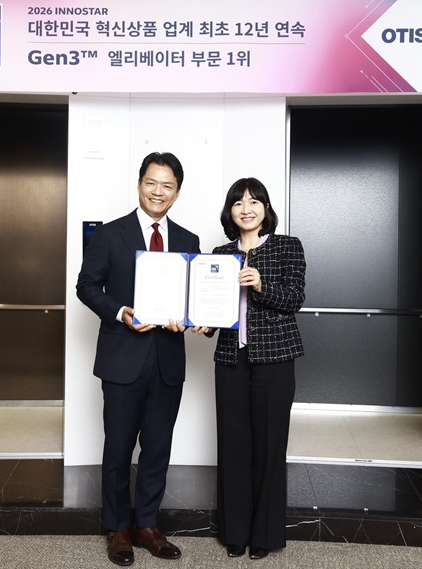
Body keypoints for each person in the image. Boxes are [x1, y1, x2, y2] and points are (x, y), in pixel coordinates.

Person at [76, 152, 201, 567]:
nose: (158, 192)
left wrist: (192, 318)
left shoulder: (188, 241)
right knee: (118, 448)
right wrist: (120, 312)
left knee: (157, 449)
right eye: (152, 182)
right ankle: (117, 528)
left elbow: (196, 298)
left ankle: (147, 525)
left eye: (167, 186)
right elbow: (86, 285)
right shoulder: (110, 234)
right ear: (139, 184)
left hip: (167, 361)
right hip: (122, 358)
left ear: (177, 192)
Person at [194, 177, 306, 560]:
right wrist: (205, 322)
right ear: (230, 211)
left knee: (269, 447)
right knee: (233, 446)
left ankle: (265, 534)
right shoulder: (220, 254)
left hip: (275, 359)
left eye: (254, 201)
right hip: (231, 359)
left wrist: (261, 285)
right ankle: (235, 532)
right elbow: (216, 308)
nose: (246, 208)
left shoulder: (287, 246)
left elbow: (295, 298)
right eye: (238, 202)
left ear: (265, 209)